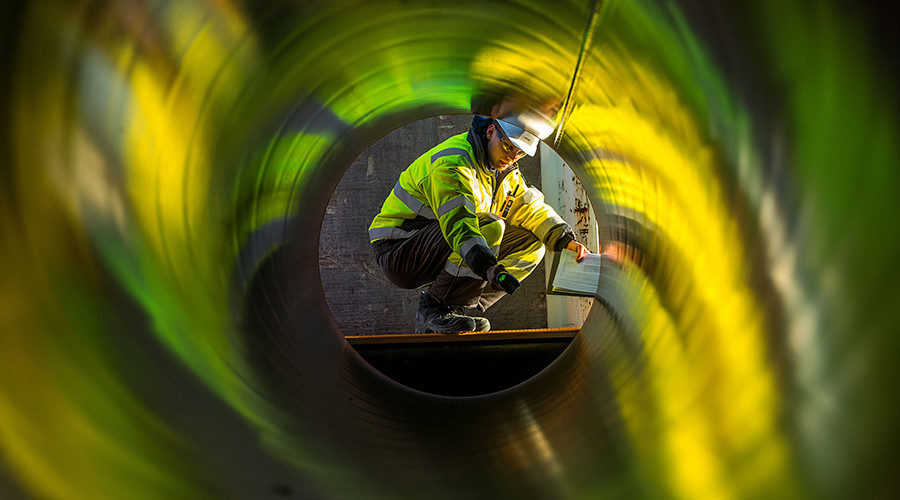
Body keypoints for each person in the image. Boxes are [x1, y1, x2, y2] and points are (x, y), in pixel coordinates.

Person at [369, 114, 589, 333]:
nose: (512, 157)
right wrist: (488, 268)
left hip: (440, 245)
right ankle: (434, 311)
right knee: (490, 225)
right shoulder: (453, 164)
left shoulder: (501, 171)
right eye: (507, 147)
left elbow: (528, 207)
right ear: (491, 132)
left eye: (519, 152)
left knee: (532, 244)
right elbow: (460, 225)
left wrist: (567, 241)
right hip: (401, 249)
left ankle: (456, 307)